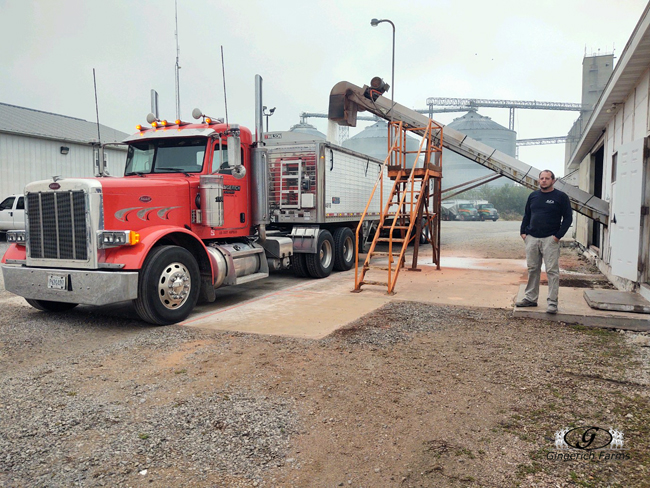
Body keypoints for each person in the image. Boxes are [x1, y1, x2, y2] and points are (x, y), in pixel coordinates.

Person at [516, 170, 573, 314]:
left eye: (547, 178)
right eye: (541, 178)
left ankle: (552, 303)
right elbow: (527, 215)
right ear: (539, 180)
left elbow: (568, 218)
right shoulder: (533, 196)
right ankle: (530, 298)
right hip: (532, 238)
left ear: (553, 180)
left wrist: (557, 236)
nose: (544, 180)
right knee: (533, 269)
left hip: (550, 239)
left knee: (552, 271)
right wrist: (523, 233)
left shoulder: (561, 197)